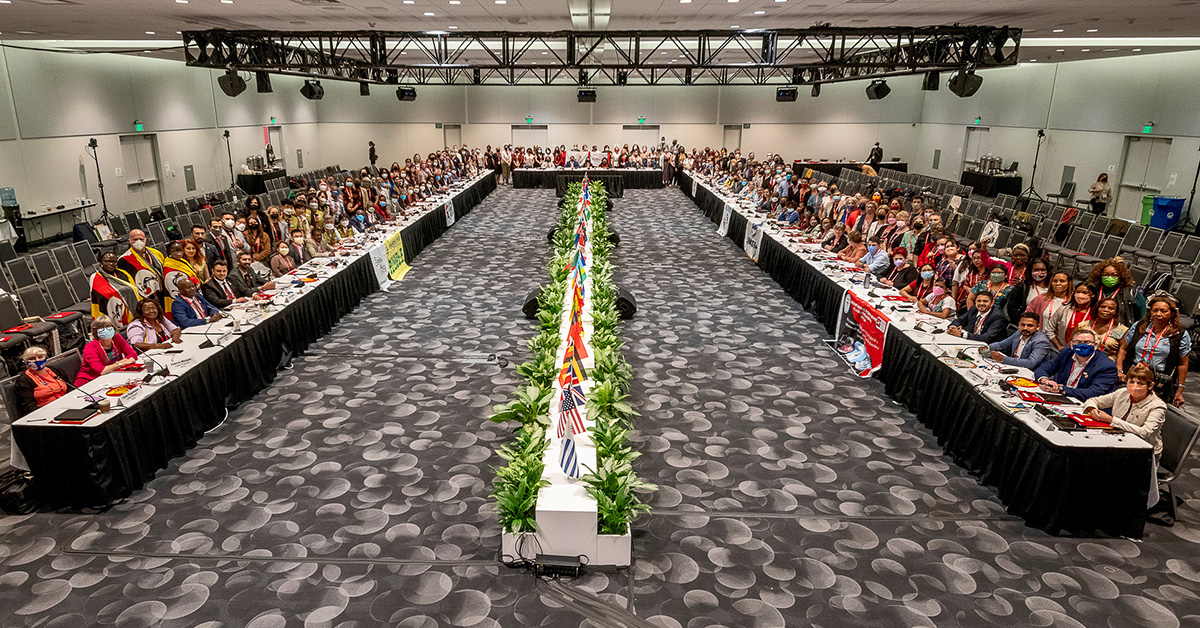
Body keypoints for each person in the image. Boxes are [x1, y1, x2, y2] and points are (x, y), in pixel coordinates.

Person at [1083, 363, 1167, 507]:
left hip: (1144, 453)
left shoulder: (1157, 406)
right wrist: (1092, 409)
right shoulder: (1121, 393)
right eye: (1131, 382)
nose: (1134, 386)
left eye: (1140, 383)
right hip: (1117, 441)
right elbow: (1094, 401)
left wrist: (1111, 420)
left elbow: (1144, 432)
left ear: (1150, 386)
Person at [1117, 293, 1191, 407]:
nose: (1158, 314)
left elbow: (1183, 364)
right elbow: (1123, 348)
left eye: (1163, 311)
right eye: (1155, 310)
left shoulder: (1180, 334)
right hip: (1133, 375)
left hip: (1158, 382)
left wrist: (1180, 389)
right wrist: (1119, 370)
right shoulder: (1139, 326)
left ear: (1172, 313)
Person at [1034, 328, 1119, 402]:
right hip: (1059, 398)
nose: (1082, 345)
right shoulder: (1066, 353)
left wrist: (1061, 389)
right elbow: (1043, 369)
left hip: (1084, 404)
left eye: (1087, 342)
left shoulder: (1106, 366)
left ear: (1095, 345)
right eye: (1078, 342)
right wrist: (1045, 381)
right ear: (1071, 345)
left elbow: (1094, 392)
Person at [76, 315, 138, 386]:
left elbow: (133, 355)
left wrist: (115, 365)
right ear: (95, 332)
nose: (106, 330)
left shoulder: (116, 338)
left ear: (114, 328)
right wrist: (123, 363)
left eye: (108, 327)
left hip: (111, 376)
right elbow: (101, 370)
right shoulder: (90, 347)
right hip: (89, 381)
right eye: (101, 328)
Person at [13, 346, 70, 416]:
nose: (37, 360)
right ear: (25, 362)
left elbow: (70, 388)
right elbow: (29, 407)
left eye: (40, 357)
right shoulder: (23, 380)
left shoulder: (55, 370)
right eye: (32, 359)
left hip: (66, 406)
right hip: (45, 413)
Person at [987, 311, 1053, 370]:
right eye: (1023, 325)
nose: (1025, 328)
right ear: (1019, 324)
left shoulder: (1041, 341)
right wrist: (987, 348)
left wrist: (1003, 359)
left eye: (1030, 326)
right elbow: (1002, 345)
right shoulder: (1019, 332)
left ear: (1038, 327)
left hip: (1029, 373)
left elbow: (1030, 363)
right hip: (1014, 367)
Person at [1088, 258, 1144, 324]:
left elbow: (1142, 315)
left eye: (1114, 275)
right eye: (1105, 275)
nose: (1109, 278)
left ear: (1121, 276)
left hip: (1120, 327)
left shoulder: (1130, 291)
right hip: (1095, 324)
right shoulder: (1095, 289)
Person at [89, 252, 140, 327]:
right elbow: (98, 296)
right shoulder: (95, 277)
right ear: (101, 263)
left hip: (127, 308)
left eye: (113, 261)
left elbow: (134, 290)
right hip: (107, 307)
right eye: (107, 261)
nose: (110, 264)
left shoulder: (124, 273)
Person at [117, 229, 165, 302]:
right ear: (129, 241)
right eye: (135, 239)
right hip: (144, 296)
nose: (138, 241)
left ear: (145, 240)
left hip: (162, 291)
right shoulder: (124, 260)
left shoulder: (156, 253)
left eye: (141, 239)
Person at [1046, 283, 1095, 351]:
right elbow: (1049, 329)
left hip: (1086, 351)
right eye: (1078, 292)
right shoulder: (1064, 309)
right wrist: (1059, 346)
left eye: (1084, 292)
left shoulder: (1095, 313)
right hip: (1063, 349)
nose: (1080, 295)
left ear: (1093, 295)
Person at [161, 241, 201, 315]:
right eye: (175, 250)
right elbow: (174, 291)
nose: (179, 253)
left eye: (180, 250)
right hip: (182, 301)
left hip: (193, 294)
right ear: (169, 252)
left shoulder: (182, 261)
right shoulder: (169, 266)